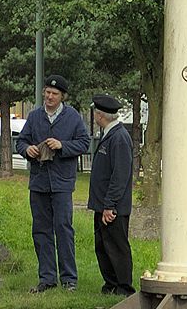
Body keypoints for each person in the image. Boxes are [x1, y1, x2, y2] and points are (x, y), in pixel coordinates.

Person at [16, 73, 90, 292]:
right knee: (41, 230)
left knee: (64, 229)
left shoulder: (73, 117)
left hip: (62, 184)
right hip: (38, 183)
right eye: (47, 92)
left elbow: (84, 143)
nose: (49, 96)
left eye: (54, 94)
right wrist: (27, 150)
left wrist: (62, 146)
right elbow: (21, 142)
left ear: (62, 97)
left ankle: (69, 279)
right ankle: (47, 279)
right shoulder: (35, 116)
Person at [87, 93, 136, 297]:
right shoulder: (111, 135)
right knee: (103, 246)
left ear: (100, 116)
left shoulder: (119, 138)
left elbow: (120, 175)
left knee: (116, 246)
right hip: (102, 204)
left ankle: (124, 287)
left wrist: (110, 205)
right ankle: (111, 284)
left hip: (112, 207)